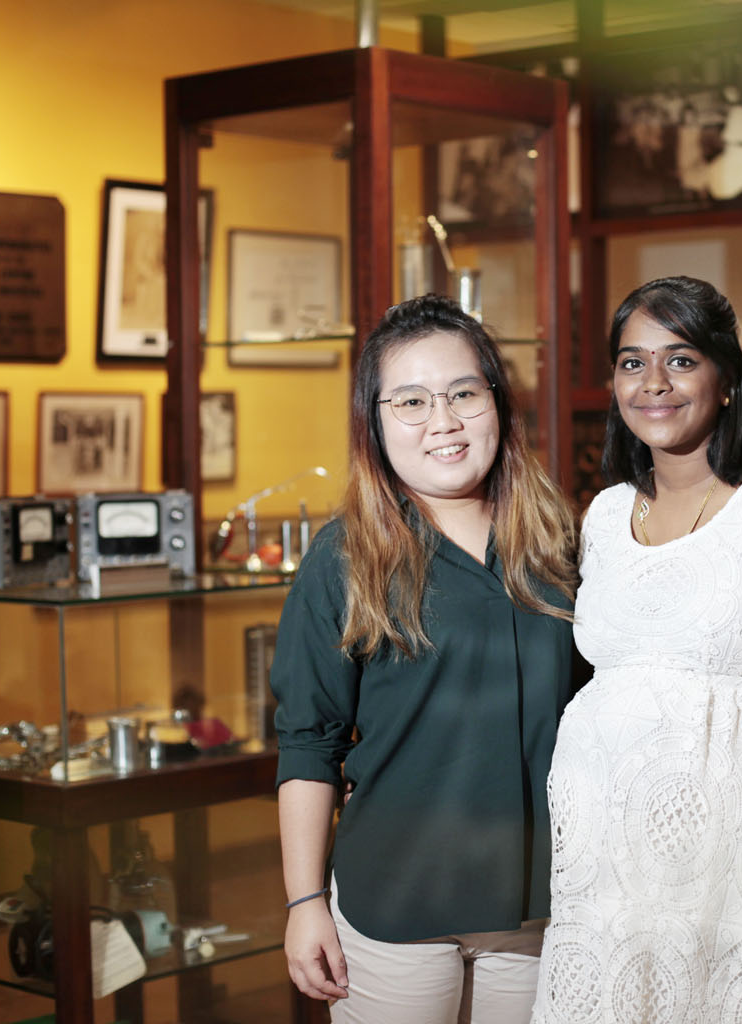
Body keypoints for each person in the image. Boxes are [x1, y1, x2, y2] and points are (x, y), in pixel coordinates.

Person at [531, 276, 742, 1024]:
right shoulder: (606, 513)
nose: (653, 382)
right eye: (632, 362)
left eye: (681, 360)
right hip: (611, 888)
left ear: (726, 380)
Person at [272, 294, 581, 1023]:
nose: (442, 421)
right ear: (374, 424)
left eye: (463, 393)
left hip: (539, 908)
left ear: (498, 403)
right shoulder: (344, 558)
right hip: (395, 907)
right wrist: (304, 902)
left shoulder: (561, 546)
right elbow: (307, 746)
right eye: (409, 401)